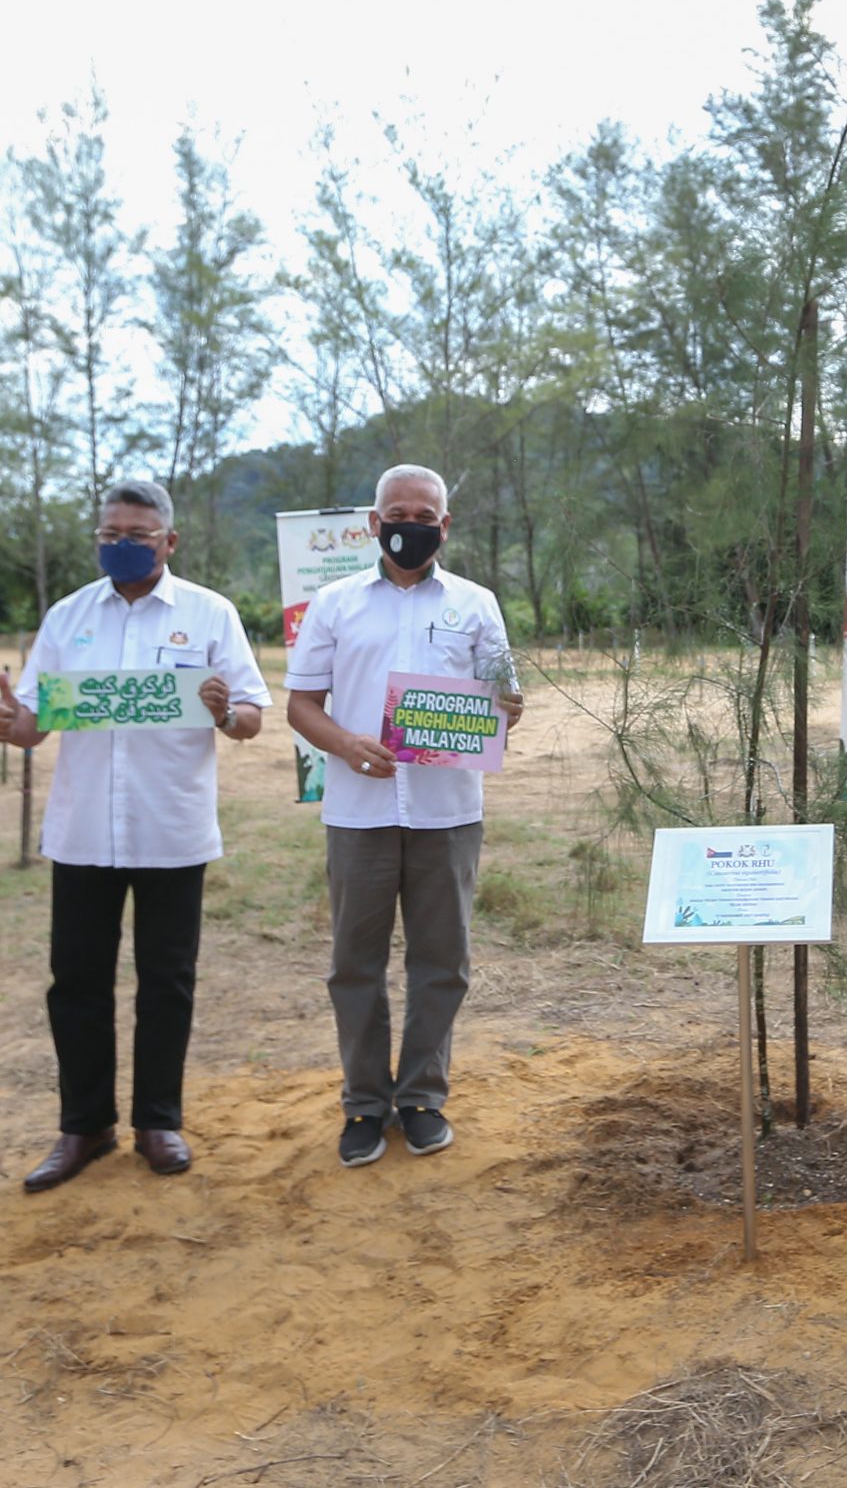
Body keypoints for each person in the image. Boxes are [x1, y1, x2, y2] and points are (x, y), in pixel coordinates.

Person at [0, 479, 271, 1191]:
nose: (121, 544)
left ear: (169, 542)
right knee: (76, 982)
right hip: (82, 830)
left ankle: (157, 1120)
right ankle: (84, 1125)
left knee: (166, 982)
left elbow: (251, 718)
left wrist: (222, 710)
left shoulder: (211, 613)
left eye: (138, 535)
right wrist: (7, 725)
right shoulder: (68, 616)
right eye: (110, 532)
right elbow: (33, 722)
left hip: (170, 827)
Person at [286, 464, 522, 1168]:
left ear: (444, 526)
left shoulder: (478, 604)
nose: (408, 524)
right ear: (373, 522)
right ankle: (364, 1104)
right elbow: (301, 704)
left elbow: (505, 698)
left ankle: (422, 1097)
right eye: (397, 512)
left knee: (440, 961)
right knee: (353, 965)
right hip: (357, 812)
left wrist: (508, 706)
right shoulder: (332, 604)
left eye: (424, 514)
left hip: (447, 812)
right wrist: (346, 746)